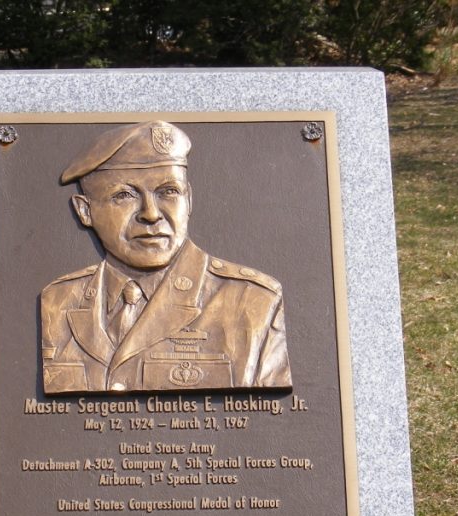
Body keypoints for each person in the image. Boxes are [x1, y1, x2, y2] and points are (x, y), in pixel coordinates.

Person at [40, 120, 292, 394]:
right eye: (124, 195)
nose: (151, 213)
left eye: (168, 192)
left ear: (189, 200)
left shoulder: (254, 304)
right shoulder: (58, 301)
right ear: (85, 211)